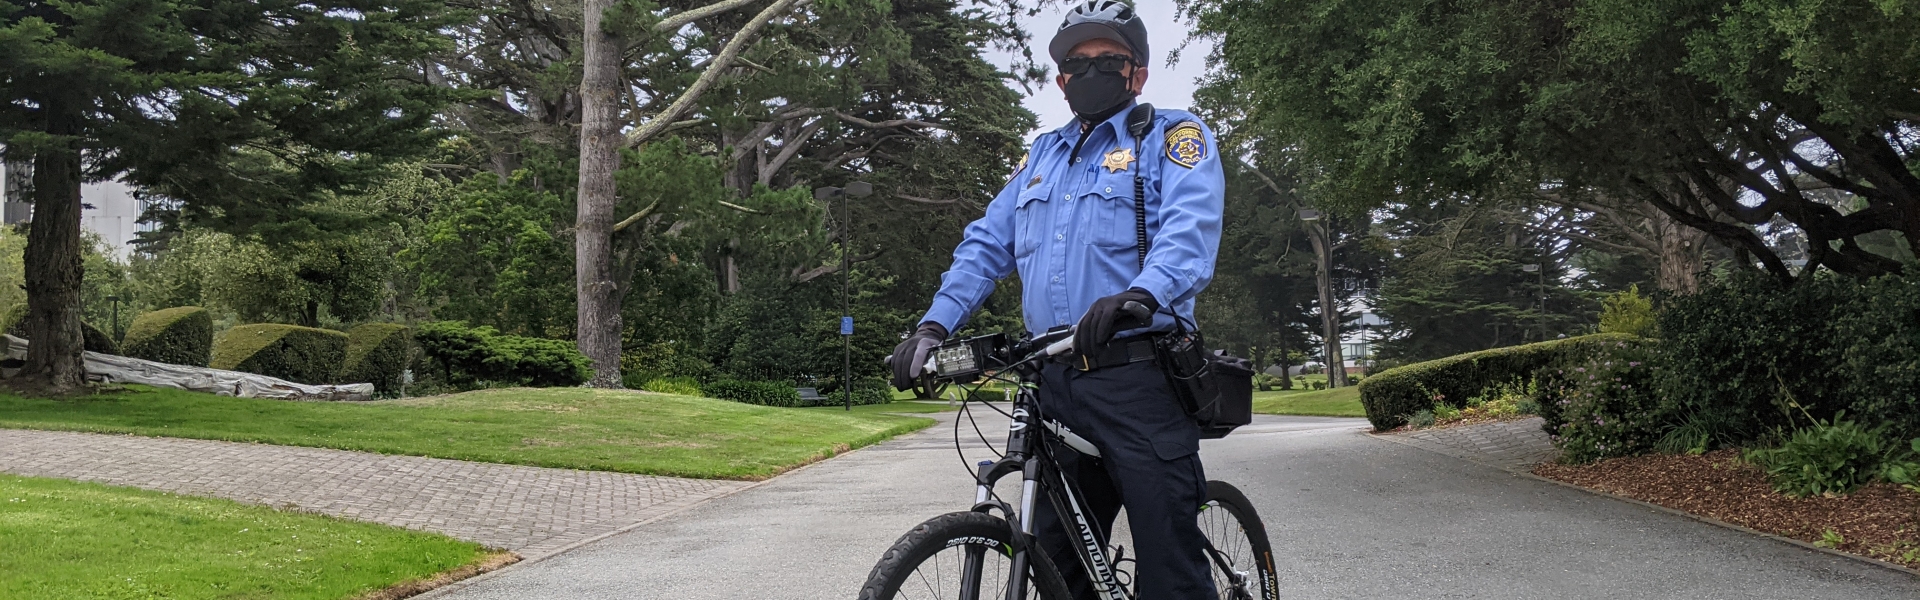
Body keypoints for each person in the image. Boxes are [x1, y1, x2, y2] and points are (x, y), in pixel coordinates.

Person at [887, 1, 1225, 597]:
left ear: (1137, 72)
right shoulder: (1041, 156)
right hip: (1055, 384)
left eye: (1109, 59)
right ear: (1061, 78)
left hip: (1139, 377)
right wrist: (933, 327)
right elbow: (986, 245)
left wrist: (1141, 294)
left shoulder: (1172, 135)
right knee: (1058, 571)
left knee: (1169, 570)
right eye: (1077, 61)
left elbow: (1188, 231)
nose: (1091, 71)